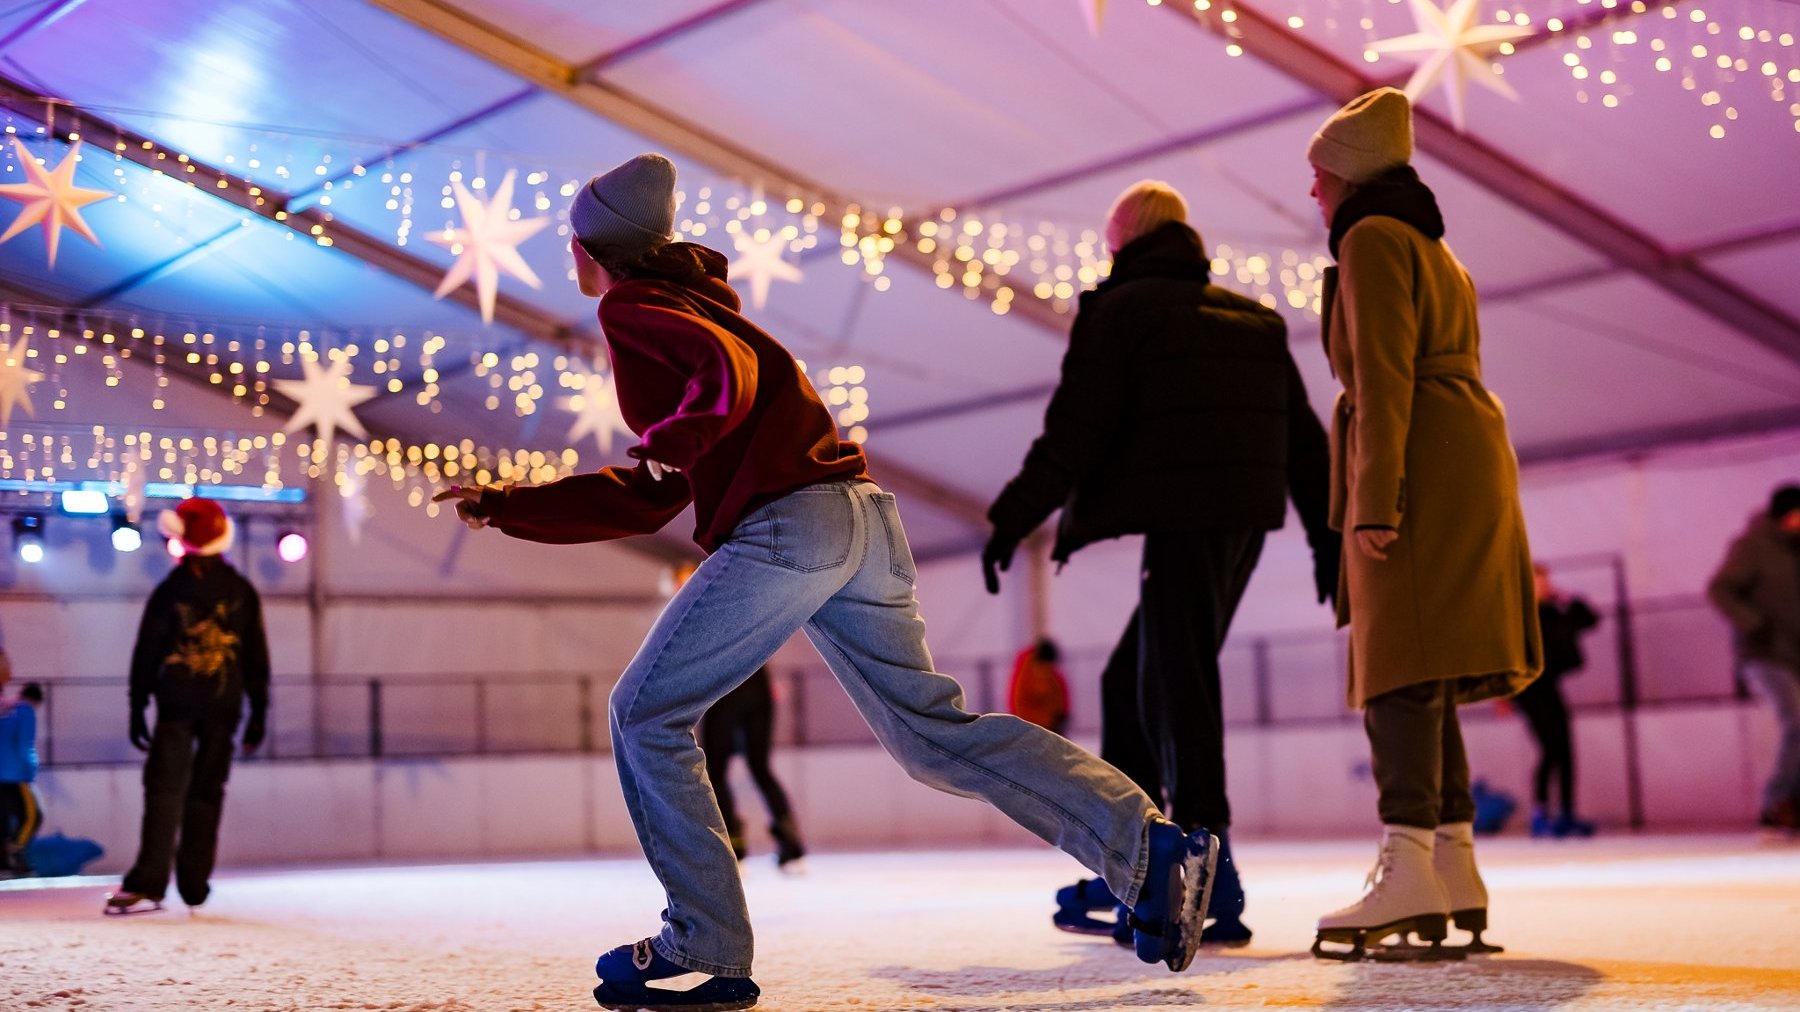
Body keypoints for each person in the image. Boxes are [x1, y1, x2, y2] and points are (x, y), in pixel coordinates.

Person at [435, 153, 1220, 1012]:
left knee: (644, 713)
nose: (571, 259)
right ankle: (1149, 848)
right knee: (929, 734)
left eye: (574, 244)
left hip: (789, 523)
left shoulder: (635, 305)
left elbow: (719, 380)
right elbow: (656, 490)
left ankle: (703, 942)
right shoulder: (688, 300)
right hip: (860, 518)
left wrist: (684, 427)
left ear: (599, 250)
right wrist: (513, 505)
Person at [985, 179, 1338, 949]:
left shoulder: (1121, 312)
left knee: (1177, 686)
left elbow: (1072, 433)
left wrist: (1012, 517)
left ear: (1121, 245)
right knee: (1133, 679)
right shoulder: (1256, 320)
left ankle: (1205, 876)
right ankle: (1142, 862)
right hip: (1241, 519)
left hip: (1183, 520)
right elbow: (1307, 442)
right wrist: (1325, 537)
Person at [1303, 88, 1541, 961]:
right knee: (1428, 663)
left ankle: (1407, 862)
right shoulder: (1440, 252)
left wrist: (1373, 502)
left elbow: (1383, 376)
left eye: (1320, 174)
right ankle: (1453, 861)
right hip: (1466, 447)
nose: (1313, 193)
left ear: (1351, 175)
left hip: (1420, 459)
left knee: (1397, 659)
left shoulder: (1371, 236)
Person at [104, 497, 270, 916]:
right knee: (207, 793)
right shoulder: (242, 591)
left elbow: (148, 650)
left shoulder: (170, 591)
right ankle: (194, 882)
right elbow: (256, 657)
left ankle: (149, 880)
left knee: (163, 791)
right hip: (223, 704)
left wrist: (137, 703)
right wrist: (258, 713)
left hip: (176, 705)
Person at [1708, 484, 1800, 832]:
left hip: (1794, 654)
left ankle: (1793, 802)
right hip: (1764, 653)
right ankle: (1776, 803)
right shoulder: (1753, 547)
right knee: (1797, 721)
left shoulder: (1796, 551)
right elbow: (1718, 589)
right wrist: (1754, 623)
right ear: (1787, 516)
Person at [1517, 563, 1599, 838]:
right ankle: (1540, 813)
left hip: (1550, 687)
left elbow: (1590, 619)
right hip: (1529, 690)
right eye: (1538, 581)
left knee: (1565, 751)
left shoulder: (1553, 612)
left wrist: (1565, 597)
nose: (1544, 586)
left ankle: (1567, 812)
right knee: (1550, 749)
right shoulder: (1519, 615)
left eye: (1545, 581)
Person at [699, 666, 806, 870]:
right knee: (760, 768)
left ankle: (733, 848)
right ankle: (791, 846)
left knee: (717, 771)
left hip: (724, 686)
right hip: (757, 686)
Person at [0, 653, 42, 876]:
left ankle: (5, 861)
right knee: (33, 815)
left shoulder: (6, 708)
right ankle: (15, 854)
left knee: (4, 818)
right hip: (14, 775)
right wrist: (31, 770)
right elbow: (25, 745)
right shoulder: (25, 711)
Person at [1007, 638, 1069, 735]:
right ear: (1037, 662)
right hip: (1030, 728)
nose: (1047, 672)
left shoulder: (1054, 678)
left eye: (1050, 667)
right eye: (1045, 667)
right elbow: (1019, 707)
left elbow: (1060, 698)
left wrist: (1061, 715)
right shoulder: (1023, 678)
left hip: (1050, 727)